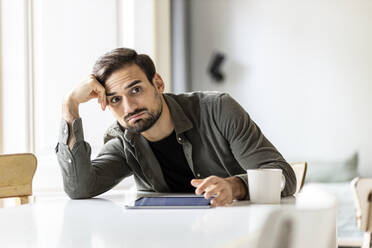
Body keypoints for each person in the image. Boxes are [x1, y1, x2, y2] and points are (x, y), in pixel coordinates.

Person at [56, 47, 296, 206]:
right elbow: (79, 188)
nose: (129, 107)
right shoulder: (123, 140)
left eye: (136, 90)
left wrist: (235, 187)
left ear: (158, 83)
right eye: (115, 99)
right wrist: (70, 105)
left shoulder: (219, 109)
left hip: (239, 235)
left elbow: (284, 177)